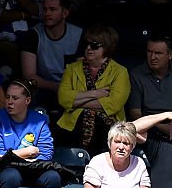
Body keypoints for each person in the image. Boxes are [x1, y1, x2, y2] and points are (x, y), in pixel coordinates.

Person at [54, 24, 129, 156]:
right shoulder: (72, 68)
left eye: (94, 45)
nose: (88, 48)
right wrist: (96, 94)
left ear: (107, 47)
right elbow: (63, 98)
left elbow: (114, 104)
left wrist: (76, 102)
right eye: (86, 44)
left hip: (109, 125)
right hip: (72, 125)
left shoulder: (120, 72)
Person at [19, 0, 82, 108]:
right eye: (45, 9)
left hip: (73, 88)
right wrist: (56, 87)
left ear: (65, 13)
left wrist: (66, 89)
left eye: (52, 9)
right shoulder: (33, 35)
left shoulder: (79, 34)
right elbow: (29, 76)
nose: (47, 13)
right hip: (44, 87)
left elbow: (84, 72)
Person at [126, 36, 172, 140]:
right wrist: (160, 126)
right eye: (149, 52)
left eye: (158, 53)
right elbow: (135, 113)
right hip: (148, 131)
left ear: (170, 54)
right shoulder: (136, 75)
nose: (152, 57)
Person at [0, 78, 57, 188]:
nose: (9, 102)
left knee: (52, 176)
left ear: (27, 100)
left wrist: (17, 157)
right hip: (7, 169)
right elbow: (0, 156)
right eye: (8, 97)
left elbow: (46, 154)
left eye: (15, 98)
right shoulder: (0, 118)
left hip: (33, 167)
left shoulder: (40, 121)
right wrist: (27, 151)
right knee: (11, 176)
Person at [82, 121, 151, 188]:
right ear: (109, 143)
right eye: (117, 142)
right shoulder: (97, 162)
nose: (121, 147)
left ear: (132, 147)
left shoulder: (139, 163)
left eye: (126, 143)